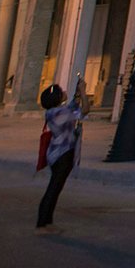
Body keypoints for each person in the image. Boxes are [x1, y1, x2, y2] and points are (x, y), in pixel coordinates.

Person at [36, 77, 87, 233]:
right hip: (62, 154)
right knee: (54, 188)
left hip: (60, 153)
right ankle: (41, 224)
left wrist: (77, 95)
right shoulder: (57, 112)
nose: (64, 92)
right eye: (61, 92)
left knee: (55, 188)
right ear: (56, 98)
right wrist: (84, 92)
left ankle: (47, 222)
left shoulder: (55, 111)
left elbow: (73, 107)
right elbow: (84, 111)